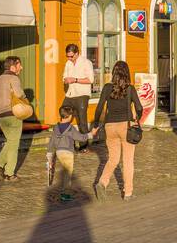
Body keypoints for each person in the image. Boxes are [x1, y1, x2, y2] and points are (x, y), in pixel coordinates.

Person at [93, 59, 144, 201]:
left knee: (113, 159)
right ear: (127, 73)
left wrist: (96, 124)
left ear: (113, 73)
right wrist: (136, 119)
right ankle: (128, 193)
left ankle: (102, 182)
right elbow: (139, 108)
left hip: (110, 127)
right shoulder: (130, 89)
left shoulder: (107, 88)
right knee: (128, 161)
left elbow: (99, 107)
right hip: (126, 127)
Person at [0, 56, 27, 180]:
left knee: (10, 141)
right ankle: (9, 173)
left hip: (1, 117)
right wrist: (25, 98)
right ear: (13, 67)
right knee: (14, 145)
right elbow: (19, 94)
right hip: (13, 114)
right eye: (19, 65)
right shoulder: (14, 78)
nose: (21, 67)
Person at [47, 103, 93, 201]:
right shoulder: (71, 128)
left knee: (65, 171)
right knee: (68, 173)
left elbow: (52, 141)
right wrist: (91, 134)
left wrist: (50, 154)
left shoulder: (55, 128)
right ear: (70, 116)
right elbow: (80, 138)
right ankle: (65, 194)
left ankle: (63, 188)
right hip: (68, 153)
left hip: (59, 152)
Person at [62, 43, 95, 153]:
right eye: (68, 56)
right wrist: (66, 80)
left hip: (82, 94)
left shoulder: (86, 63)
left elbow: (90, 80)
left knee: (82, 121)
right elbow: (64, 77)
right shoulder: (68, 63)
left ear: (77, 53)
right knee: (63, 115)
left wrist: (75, 80)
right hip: (70, 94)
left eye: (71, 56)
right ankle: (66, 143)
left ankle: (84, 146)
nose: (69, 58)